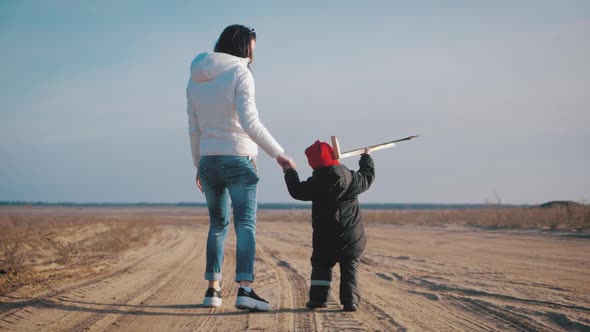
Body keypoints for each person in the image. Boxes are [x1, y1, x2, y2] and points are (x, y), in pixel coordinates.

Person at [186, 24, 294, 311]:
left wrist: (198, 164)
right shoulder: (241, 73)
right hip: (238, 158)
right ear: (242, 48)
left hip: (208, 160)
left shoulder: (196, 76)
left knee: (217, 225)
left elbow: (193, 127)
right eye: (251, 50)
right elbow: (250, 122)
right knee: (244, 224)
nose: (252, 57)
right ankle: (245, 290)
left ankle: (213, 290)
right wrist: (279, 154)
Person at [282, 140, 375, 312]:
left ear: (313, 163)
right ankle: (350, 301)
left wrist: (289, 171)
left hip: (325, 237)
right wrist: (366, 157)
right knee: (349, 267)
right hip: (351, 236)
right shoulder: (351, 178)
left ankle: (318, 299)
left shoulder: (315, 183)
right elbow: (368, 177)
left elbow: (296, 191)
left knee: (321, 265)